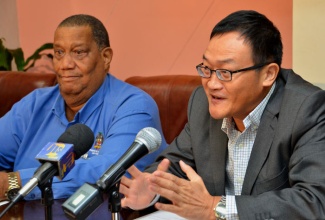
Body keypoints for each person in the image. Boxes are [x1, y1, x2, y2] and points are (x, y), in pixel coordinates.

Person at [120, 10, 325, 220]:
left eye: (225, 73)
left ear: (268, 74)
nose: (212, 84)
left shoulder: (307, 108)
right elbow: (175, 165)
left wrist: (215, 207)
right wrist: (153, 190)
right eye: (206, 68)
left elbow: (315, 201)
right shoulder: (203, 101)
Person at [0, 14, 167, 201]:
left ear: (105, 57)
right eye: (59, 53)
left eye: (78, 52)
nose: (65, 65)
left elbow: (110, 173)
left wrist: (13, 182)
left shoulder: (133, 106)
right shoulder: (35, 104)